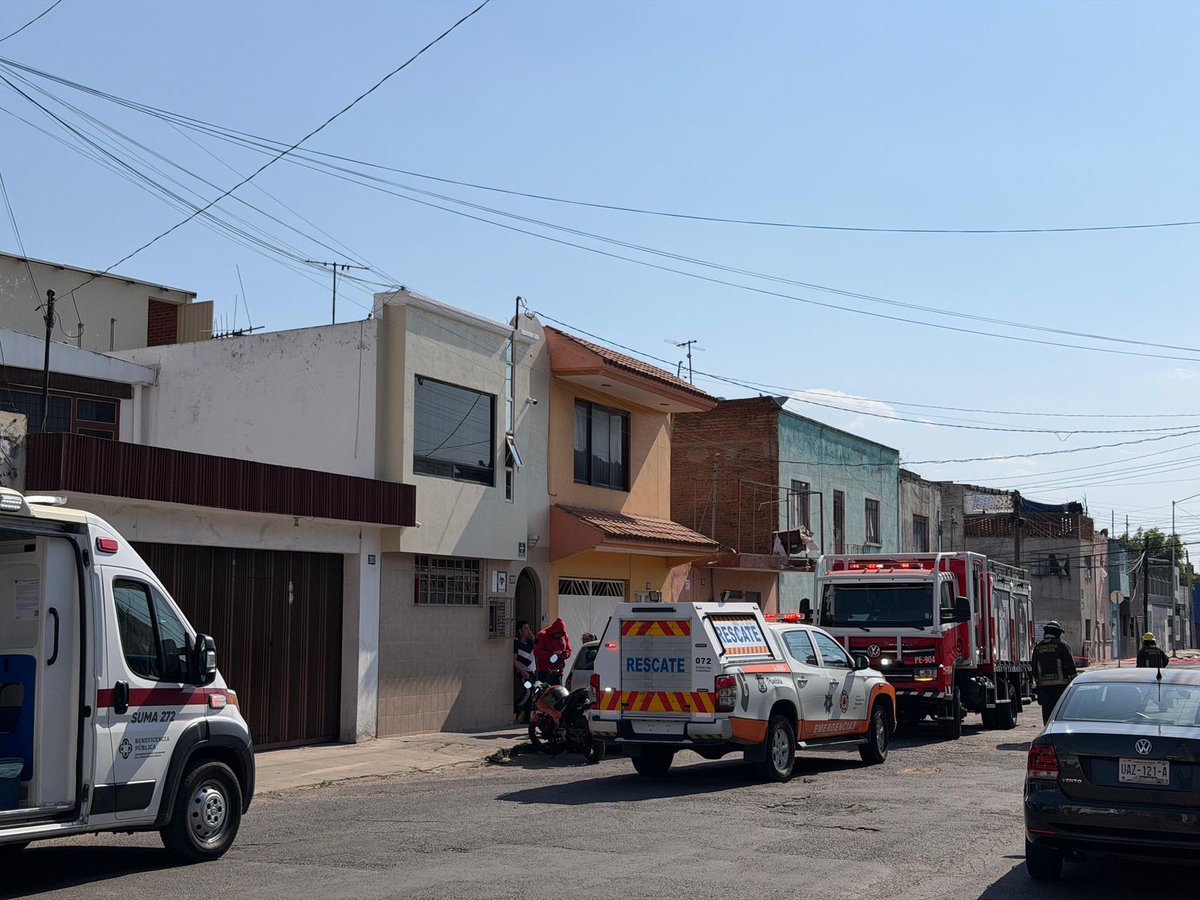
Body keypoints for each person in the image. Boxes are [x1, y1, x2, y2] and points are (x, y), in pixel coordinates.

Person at [1032, 621, 1077, 724]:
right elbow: (1070, 665)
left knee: (1047, 711)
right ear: (1057, 633)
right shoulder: (1062, 646)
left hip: (1044, 687)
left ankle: (1047, 730)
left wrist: (1037, 683)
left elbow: (1033, 668)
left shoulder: (1038, 648)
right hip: (1061, 687)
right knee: (1060, 710)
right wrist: (1075, 681)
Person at [534, 617, 572, 685]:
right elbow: (537, 652)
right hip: (544, 671)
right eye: (557, 633)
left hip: (558, 672)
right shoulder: (542, 635)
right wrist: (553, 654)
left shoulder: (564, 636)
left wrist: (566, 655)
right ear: (553, 631)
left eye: (561, 633)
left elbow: (569, 650)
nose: (559, 635)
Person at [512, 621, 535, 724]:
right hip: (523, 674)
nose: (528, 630)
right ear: (520, 630)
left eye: (528, 628)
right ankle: (518, 711)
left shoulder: (530, 642)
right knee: (527, 692)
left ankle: (527, 717)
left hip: (532, 672)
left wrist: (533, 639)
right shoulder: (516, 643)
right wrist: (521, 671)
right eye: (525, 628)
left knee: (531, 694)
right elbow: (514, 660)